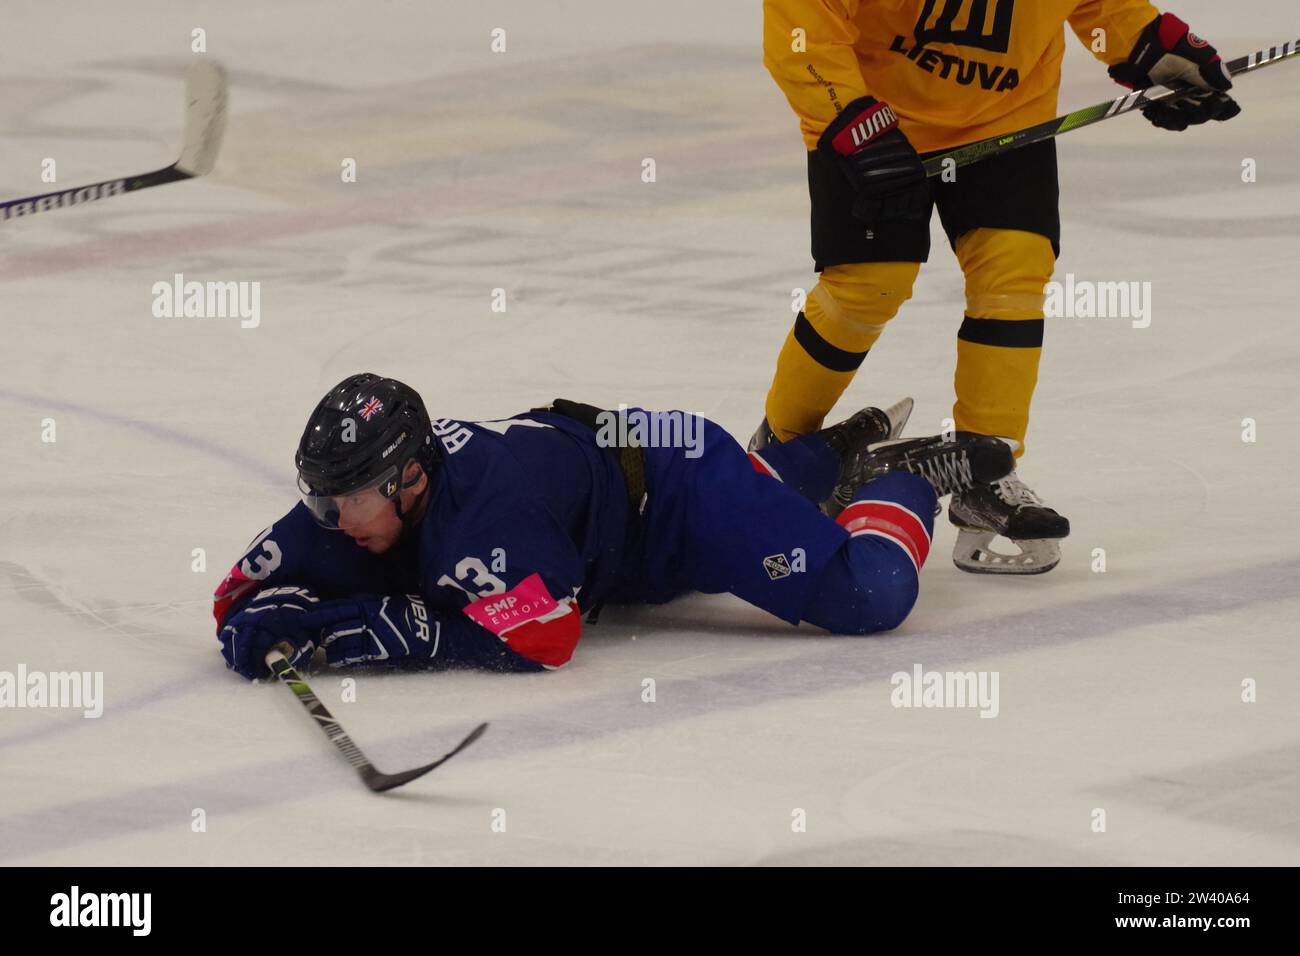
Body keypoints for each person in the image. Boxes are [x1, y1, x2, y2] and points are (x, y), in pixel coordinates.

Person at [755, 1, 1239, 573]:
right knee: (869, 284)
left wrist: (1152, 47)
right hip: (871, 115)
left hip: (1007, 118)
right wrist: (849, 118)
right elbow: (804, 19)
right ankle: (778, 452)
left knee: (1014, 272)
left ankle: (986, 469)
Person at [214, 374, 1014, 678]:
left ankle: (905, 478)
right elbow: (234, 594)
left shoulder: (488, 521)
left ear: (411, 476)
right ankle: (821, 457)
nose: (327, 523)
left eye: (342, 506)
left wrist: (365, 626)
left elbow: (545, 638)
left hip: (678, 493)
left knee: (867, 594)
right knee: (765, 493)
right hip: (610, 497)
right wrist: (267, 617)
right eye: (320, 502)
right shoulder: (358, 495)